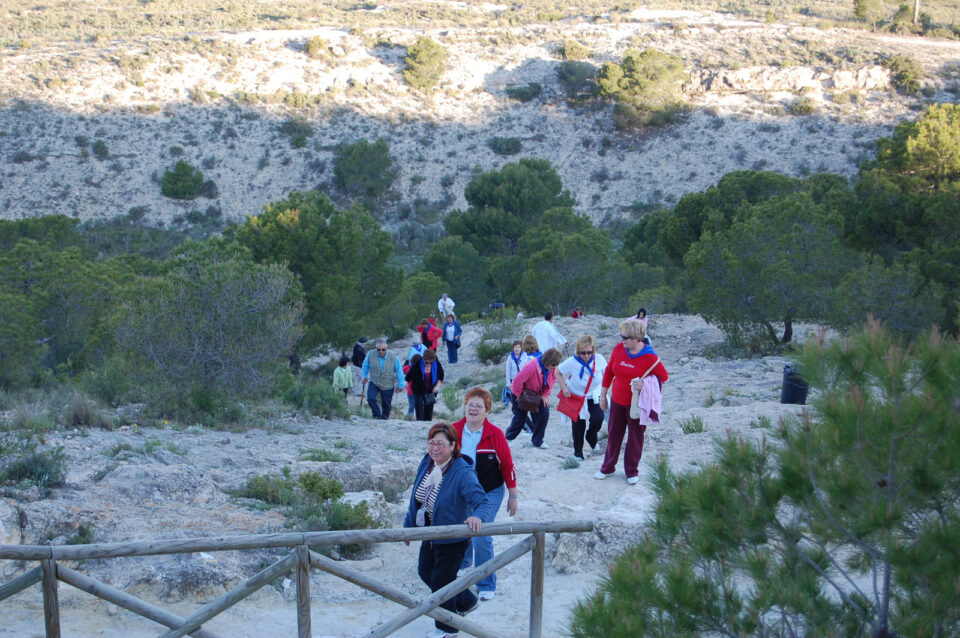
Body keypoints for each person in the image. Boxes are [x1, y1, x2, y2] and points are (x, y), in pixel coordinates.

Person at [404, 423, 489, 638]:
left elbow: (481, 502)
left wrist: (477, 517)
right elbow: (416, 498)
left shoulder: (461, 471)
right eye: (431, 443)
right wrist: (408, 526)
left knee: (441, 582)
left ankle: (447, 630)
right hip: (430, 533)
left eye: (440, 444)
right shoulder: (427, 462)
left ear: (452, 445)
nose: (435, 448)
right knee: (425, 572)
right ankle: (467, 601)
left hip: (453, 538)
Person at [452, 388, 518, 601]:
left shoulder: (495, 434)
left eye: (478, 406)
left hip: (490, 491)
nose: (473, 409)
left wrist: (513, 496)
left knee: (480, 533)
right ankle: (463, 563)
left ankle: (486, 583)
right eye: (470, 404)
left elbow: (507, 465)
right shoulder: (453, 431)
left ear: (487, 411)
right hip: (464, 492)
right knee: (462, 527)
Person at [596, 319, 668, 484]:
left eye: (625, 337)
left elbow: (663, 378)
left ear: (636, 338)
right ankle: (608, 468)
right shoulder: (618, 348)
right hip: (617, 401)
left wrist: (645, 384)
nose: (621, 339)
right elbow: (609, 372)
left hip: (637, 404)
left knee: (635, 437)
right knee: (614, 434)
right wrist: (603, 396)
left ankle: (631, 471)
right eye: (621, 335)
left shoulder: (650, 357)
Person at [556, 335, 607, 460]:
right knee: (578, 424)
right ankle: (578, 453)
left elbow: (607, 373)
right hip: (576, 395)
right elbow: (557, 372)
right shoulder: (572, 362)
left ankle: (591, 435)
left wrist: (605, 391)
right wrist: (564, 388)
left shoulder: (599, 359)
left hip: (594, 394)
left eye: (589, 352)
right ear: (578, 351)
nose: (586, 355)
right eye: (583, 353)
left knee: (598, 417)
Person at [504, 347, 563, 449]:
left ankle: (537, 440)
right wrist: (518, 394)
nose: (555, 367)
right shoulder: (531, 366)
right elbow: (517, 381)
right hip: (520, 392)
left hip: (537, 394)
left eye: (556, 364)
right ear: (547, 362)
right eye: (554, 365)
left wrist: (545, 395)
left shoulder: (552, 368)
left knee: (544, 414)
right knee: (520, 418)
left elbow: (552, 381)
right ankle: (508, 438)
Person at [361, 338, 405, 420]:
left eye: (383, 349)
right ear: (376, 348)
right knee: (370, 399)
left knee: (386, 405)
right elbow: (365, 365)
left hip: (387, 384)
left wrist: (401, 384)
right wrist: (364, 376)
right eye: (378, 349)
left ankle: (384, 420)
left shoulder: (393, 356)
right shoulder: (371, 354)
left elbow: (399, 371)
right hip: (374, 382)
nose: (380, 351)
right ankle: (377, 416)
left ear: (387, 348)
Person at [406, 349, 444, 421]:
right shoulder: (418, 364)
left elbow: (441, 377)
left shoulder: (437, 364)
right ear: (423, 359)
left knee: (428, 413)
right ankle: (420, 423)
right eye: (426, 362)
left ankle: (427, 424)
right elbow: (409, 376)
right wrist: (403, 384)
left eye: (430, 362)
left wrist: (437, 386)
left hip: (431, 391)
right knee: (419, 408)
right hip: (418, 390)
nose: (428, 364)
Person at [504, 339, 533, 433]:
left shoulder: (525, 356)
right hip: (513, 383)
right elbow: (508, 370)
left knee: (521, 407)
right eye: (515, 347)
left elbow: (528, 369)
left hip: (523, 384)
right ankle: (528, 428)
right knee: (516, 407)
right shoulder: (510, 357)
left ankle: (530, 428)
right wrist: (508, 383)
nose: (517, 349)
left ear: (521, 348)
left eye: (518, 347)